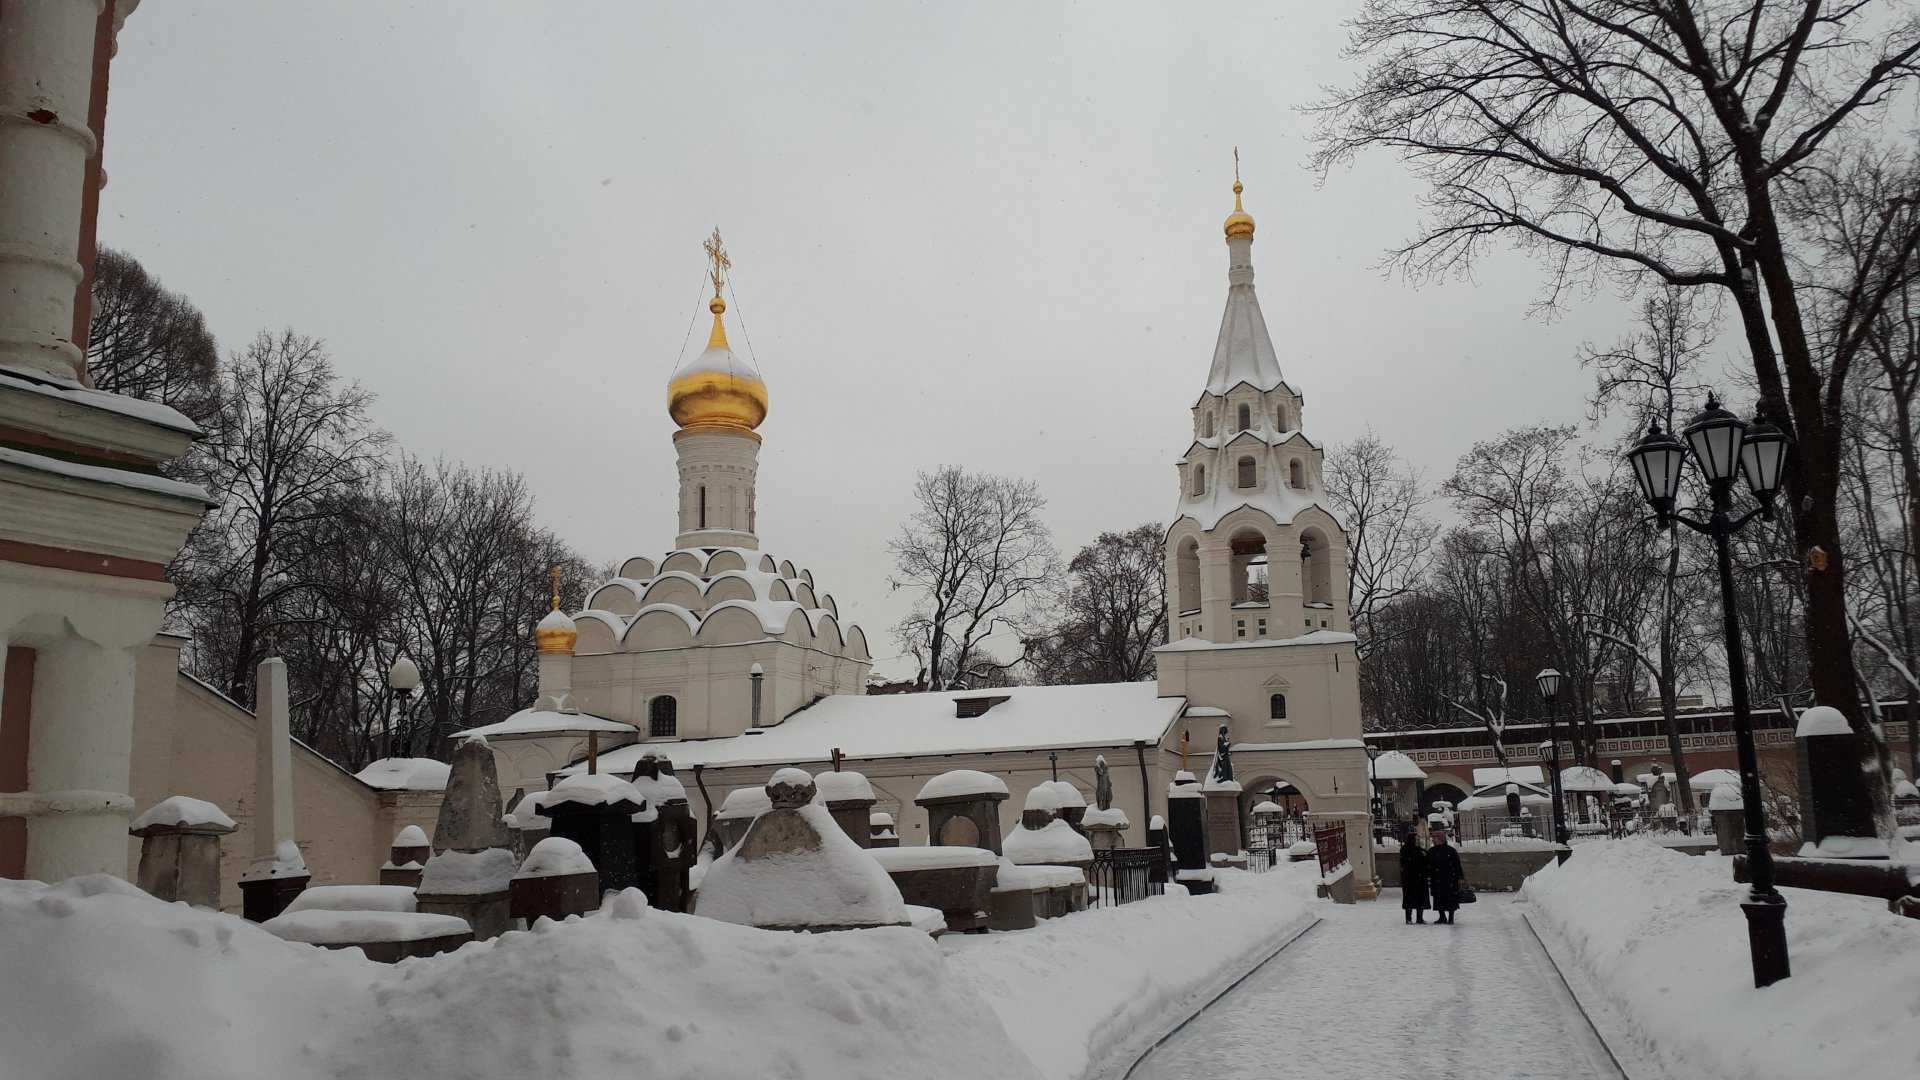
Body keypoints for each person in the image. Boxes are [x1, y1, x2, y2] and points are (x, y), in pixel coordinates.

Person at [1427, 828, 1466, 924]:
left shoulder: (1451, 851)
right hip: (1436, 878)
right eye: (1433, 838)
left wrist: (1460, 877)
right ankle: (1442, 917)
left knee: (1450, 898)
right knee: (1438, 898)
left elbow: (1457, 865)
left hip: (1449, 879)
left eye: (1435, 838)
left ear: (1441, 839)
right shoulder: (1432, 851)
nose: (1433, 840)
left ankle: (1451, 917)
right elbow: (1428, 864)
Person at [1399, 832, 1429, 924]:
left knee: (1420, 898)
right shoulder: (1405, 849)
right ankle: (1408, 918)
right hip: (1410, 878)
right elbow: (1406, 863)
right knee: (1409, 898)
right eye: (1416, 839)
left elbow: (1425, 861)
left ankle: (1419, 918)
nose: (1418, 841)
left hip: (1420, 878)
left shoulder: (1420, 850)